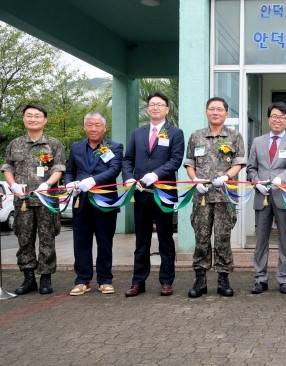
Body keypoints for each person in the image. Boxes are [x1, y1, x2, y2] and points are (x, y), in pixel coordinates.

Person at [122, 92, 184, 297]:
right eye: (152, 104)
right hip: (140, 194)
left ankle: (166, 281)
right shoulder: (137, 133)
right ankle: (138, 281)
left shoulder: (175, 133)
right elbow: (127, 159)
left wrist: (155, 175)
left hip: (163, 193)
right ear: (148, 109)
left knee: (165, 238)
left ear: (167, 109)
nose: (155, 107)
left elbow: (175, 161)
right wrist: (129, 177)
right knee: (142, 240)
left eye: (160, 104)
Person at [184, 97, 245, 298]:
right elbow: (189, 163)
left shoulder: (234, 136)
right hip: (201, 196)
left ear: (226, 113)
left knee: (222, 239)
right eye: (212, 109)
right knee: (201, 238)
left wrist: (227, 177)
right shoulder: (196, 136)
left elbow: (238, 162)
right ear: (206, 112)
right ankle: (200, 280)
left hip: (224, 195)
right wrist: (195, 181)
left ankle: (223, 279)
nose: (215, 112)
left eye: (220, 109)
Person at [1, 104, 65, 295]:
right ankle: (28, 278)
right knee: (24, 238)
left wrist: (47, 185)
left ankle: (46, 277)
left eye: (37, 116)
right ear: (24, 119)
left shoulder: (54, 144)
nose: (33, 119)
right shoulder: (15, 144)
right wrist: (12, 185)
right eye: (29, 116)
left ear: (45, 120)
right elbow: (8, 168)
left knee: (47, 238)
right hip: (23, 202)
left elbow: (59, 169)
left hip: (46, 199)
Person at [246, 102, 286, 294]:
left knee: (285, 240)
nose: (278, 120)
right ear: (269, 118)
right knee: (261, 240)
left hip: (283, 195)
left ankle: (284, 278)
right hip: (262, 196)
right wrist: (256, 181)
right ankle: (260, 279)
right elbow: (251, 167)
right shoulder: (258, 141)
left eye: (282, 117)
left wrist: (279, 179)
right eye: (274, 116)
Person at [65, 112, 123, 296]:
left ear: (105, 128)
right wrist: (69, 183)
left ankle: (105, 280)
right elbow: (69, 171)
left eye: (97, 125)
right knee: (81, 242)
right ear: (84, 127)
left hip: (105, 201)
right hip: (81, 202)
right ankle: (83, 280)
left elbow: (114, 170)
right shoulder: (76, 147)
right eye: (90, 125)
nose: (93, 129)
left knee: (105, 241)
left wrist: (92, 181)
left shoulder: (114, 146)